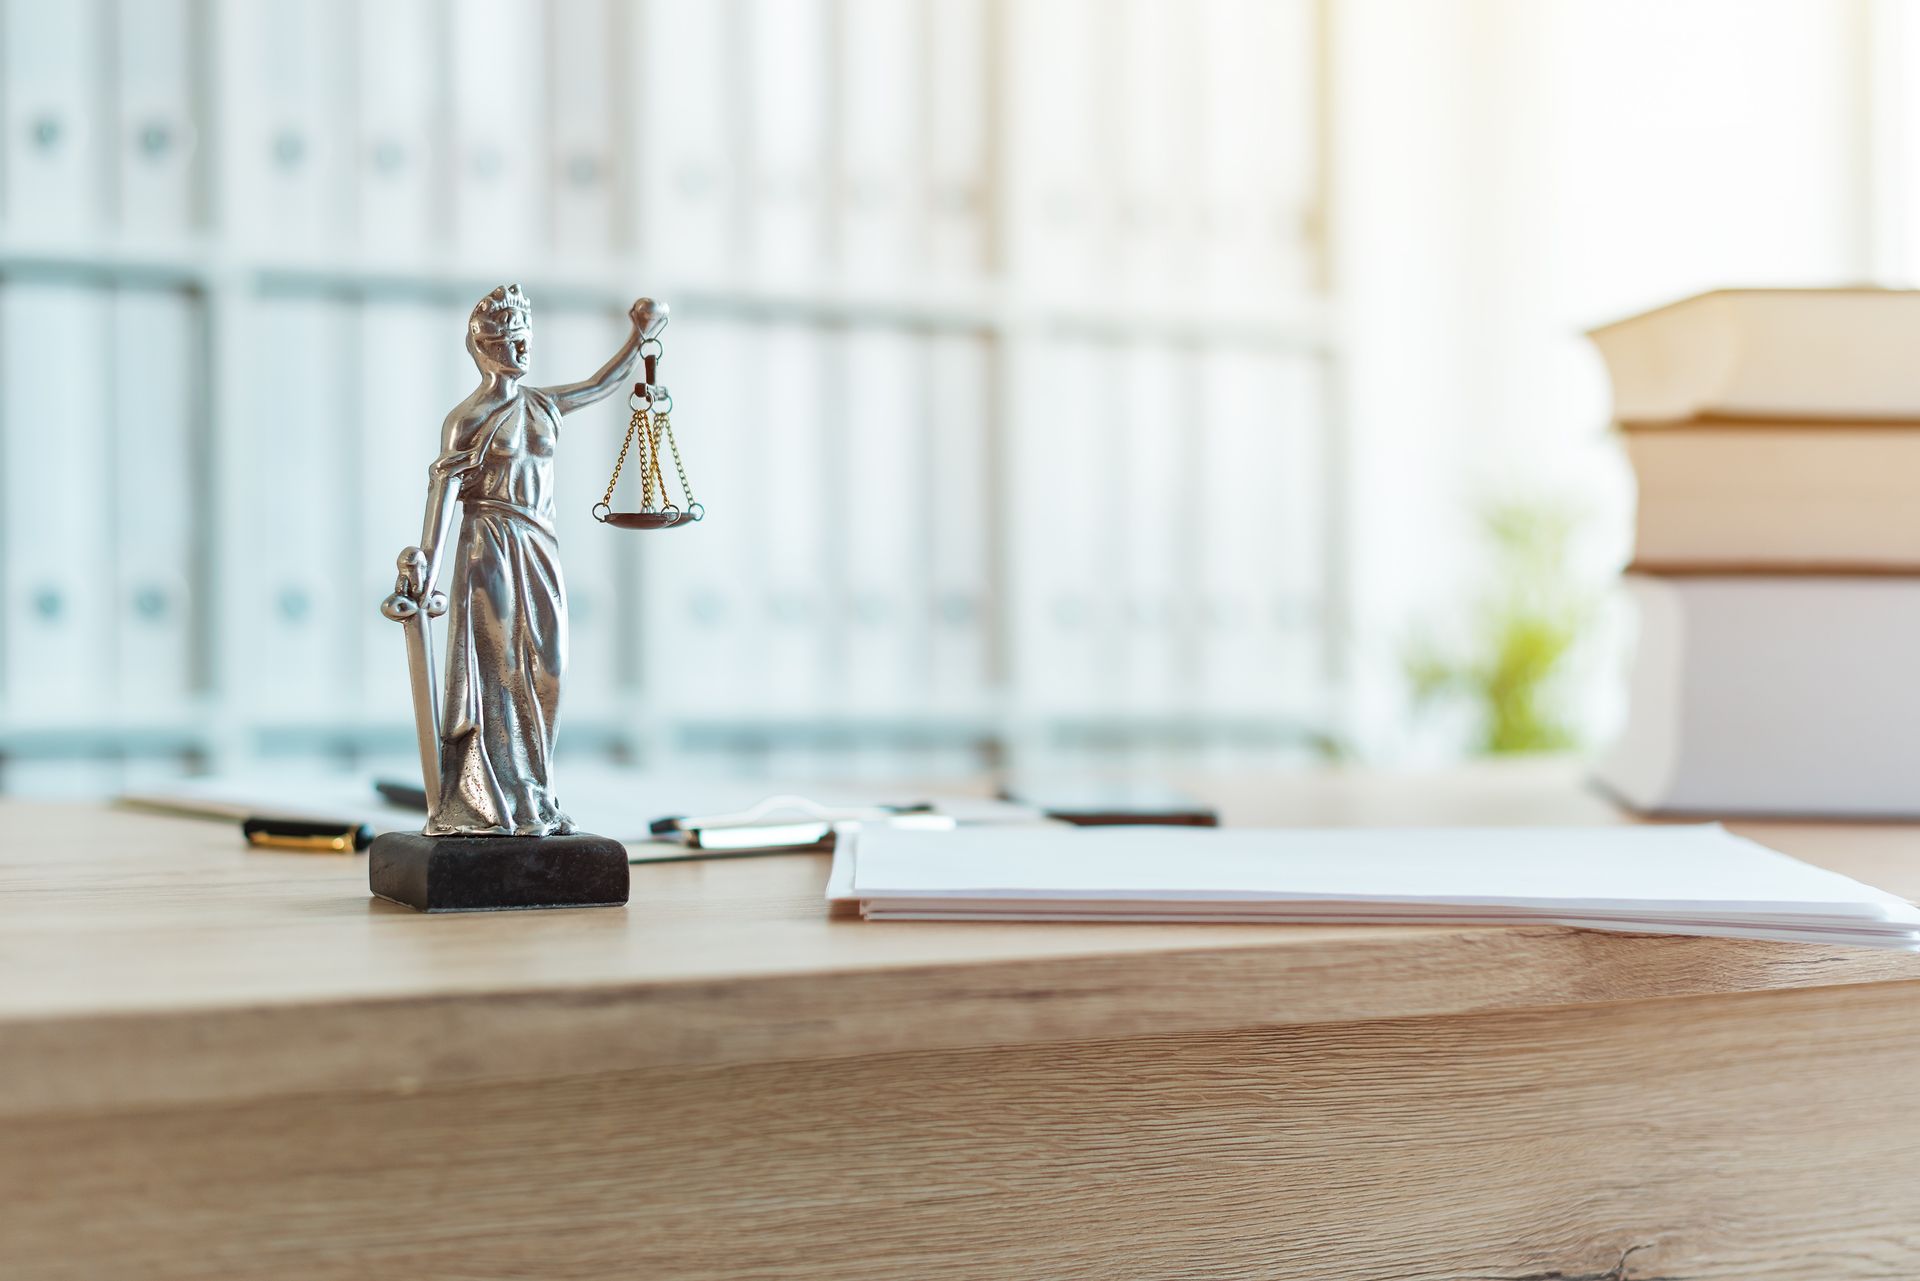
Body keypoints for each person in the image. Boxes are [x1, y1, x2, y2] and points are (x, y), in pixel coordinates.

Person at [396, 284, 661, 835]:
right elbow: (443, 490)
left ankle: (537, 791)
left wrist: (640, 340)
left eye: (526, 340)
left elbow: (599, 385)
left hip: (539, 540)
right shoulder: (466, 418)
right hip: (488, 540)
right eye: (510, 341)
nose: (521, 351)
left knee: (550, 667)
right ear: (485, 348)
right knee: (503, 669)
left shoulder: (543, 403)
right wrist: (426, 562)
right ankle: (506, 798)